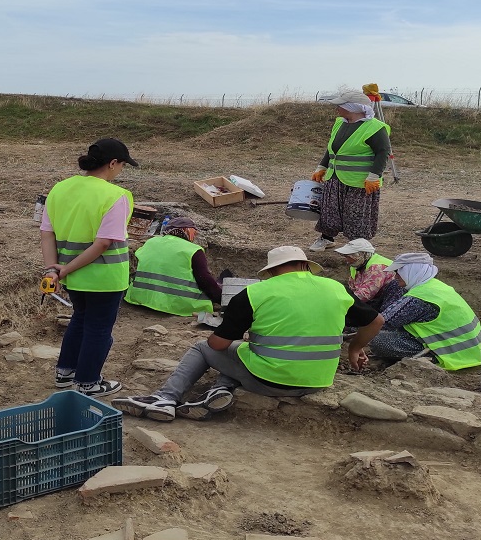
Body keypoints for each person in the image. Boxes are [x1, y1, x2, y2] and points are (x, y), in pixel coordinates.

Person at [112, 246, 384, 422]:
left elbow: (216, 343)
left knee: (204, 349)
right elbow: (376, 321)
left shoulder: (255, 293)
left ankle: (166, 398)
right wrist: (353, 349)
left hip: (271, 381)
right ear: (305, 266)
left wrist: (244, 330)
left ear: (272, 271)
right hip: (317, 380)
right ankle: (218, 391)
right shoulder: (336, 288)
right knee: (240, 356)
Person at [41, 138, 138, 397]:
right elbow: (103, 243)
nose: (121, 171)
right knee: (98, 329)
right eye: (122, 165)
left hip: (73, 278)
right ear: (113, 163)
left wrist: (53, 269)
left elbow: (47, 234)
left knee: (81, 320)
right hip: (105, 278)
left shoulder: (60, 189)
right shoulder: (116, 196)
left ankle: (66, 373)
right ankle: (88, 383)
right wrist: (66, 269)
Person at [369, 253, 481, 371]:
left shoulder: (419, 298)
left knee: (379, 341)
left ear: (412, 271)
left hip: (451, 354)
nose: (396, 276)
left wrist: (356, 329)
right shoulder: (434, 286)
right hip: (474, 351)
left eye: (399, 272)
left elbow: (382, 322)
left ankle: (429, 358)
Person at [308, 89, 392, 252]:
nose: (337, 109)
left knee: (356, 215)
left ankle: (359, 245)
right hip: (335, 177)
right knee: (329, 210)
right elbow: (332, 149)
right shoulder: (340, 123)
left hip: (360, 181)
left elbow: (383, 152)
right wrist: (322, 167)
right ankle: (326, 238)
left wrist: (374, 176)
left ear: (353, 108)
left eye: (341, 106)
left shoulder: (375, 128)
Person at [124, 216, 226, 316]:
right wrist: (221, 299)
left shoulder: (151, 242)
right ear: (186, 230)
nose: (195, 235)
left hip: (140, 298)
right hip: (178, 305)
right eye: (193, 232)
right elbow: (205, 280)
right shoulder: (193, 250)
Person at [334, 239, 394, 308]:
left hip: (385, 302)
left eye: (349, 257)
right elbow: (353, 288)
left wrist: (339, 302)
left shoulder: (377, 268)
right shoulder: (357, 265)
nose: (347, 260)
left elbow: (364, 295)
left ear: (361, 255)